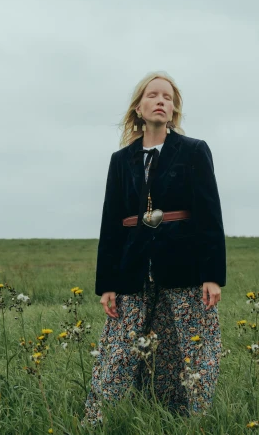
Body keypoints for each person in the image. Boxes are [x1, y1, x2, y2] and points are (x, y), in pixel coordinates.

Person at [84, 71, 226, 424]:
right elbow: (110, 224)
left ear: (174, 109)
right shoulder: (121, 160)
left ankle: (190, 420)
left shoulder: (193, 151)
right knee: (119, 347)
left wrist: (212, 275)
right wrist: (107, 284)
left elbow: (209, 215)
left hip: (184, 264)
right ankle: (99, 419)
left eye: (168, 96)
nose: (161, 100)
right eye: (153, 95)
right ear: (139, 108)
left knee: (190, 346)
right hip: (132, 265)